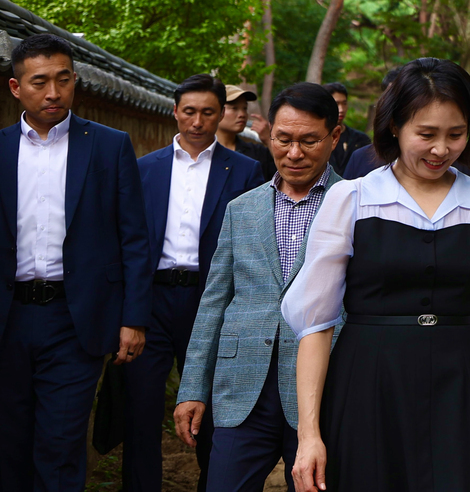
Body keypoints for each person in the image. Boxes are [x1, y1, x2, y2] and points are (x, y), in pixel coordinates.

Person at [282, 58, 470, 492]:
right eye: (426, 134)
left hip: (461, 386)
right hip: (368, 385)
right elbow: (316, 324)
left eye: (455, 135)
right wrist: (309, 436)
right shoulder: (353, 199)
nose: (441, 149)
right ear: (395, 127)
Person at [173, 83, 345, 492]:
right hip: (241, 385)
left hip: (325, 389)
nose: (294, 152)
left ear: (334, 137)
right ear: (268, 135)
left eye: (308, 140)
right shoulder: (242, 208)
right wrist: (193, 386)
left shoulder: (354, 203)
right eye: (283, 139)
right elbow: (215, 300)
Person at [0, 33, 150, 492]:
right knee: (8, 442)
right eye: (40, 81)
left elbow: (134, 238)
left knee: (61, 443)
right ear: (15, 88)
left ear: (74, 81)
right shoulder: (1, 148)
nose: (53, 92)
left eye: (63, 80)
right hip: (8, 318)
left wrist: (133, 319)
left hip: (75, 318)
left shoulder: (108, 145)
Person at [125, 74, 265, 492]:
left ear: (220, 114)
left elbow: (254, 243)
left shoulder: (245, 170)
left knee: (214, 410)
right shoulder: (144, 168)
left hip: (212, 303)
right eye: (189, 111)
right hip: (151, 300)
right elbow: (129, 240)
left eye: (208, 112)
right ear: (174, 112)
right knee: (141, 410)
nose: (198, 121)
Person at [218, 85, 278, 184]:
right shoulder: (203, 152)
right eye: (234, 108)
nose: (242, 114)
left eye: (244, 108)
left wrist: (268, 139)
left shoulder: (257, 153)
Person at [323, 82, 371, 177]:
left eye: (344, 103)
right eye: (336, 104)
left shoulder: (361, 140)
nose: (341, 109)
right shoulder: (317, 139)